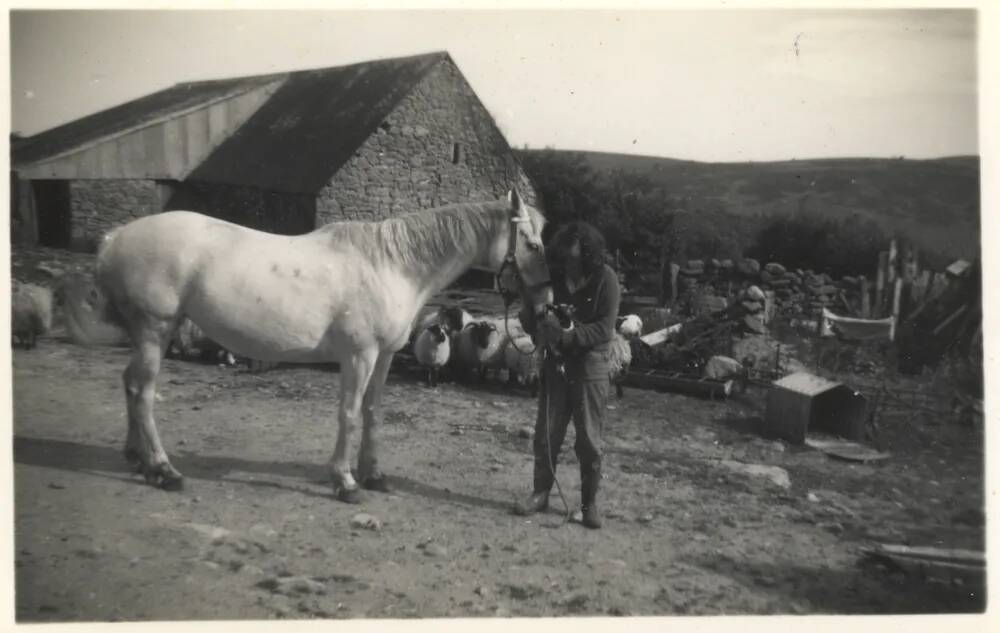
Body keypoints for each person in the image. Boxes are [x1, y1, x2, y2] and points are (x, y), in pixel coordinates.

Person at [512, 221, 622, 529]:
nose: (567, 266)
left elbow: (604, 328)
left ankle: (590, 505)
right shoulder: (555, 279)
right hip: (556, 365)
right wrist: (529, 312)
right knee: (546, 434)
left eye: (573, 260)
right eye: (563, 259)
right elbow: (536, 319)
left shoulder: (607, 280)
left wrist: (567, 335)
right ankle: (540, 493)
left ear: (588, 256)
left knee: (588, 440)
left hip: (590, 368)